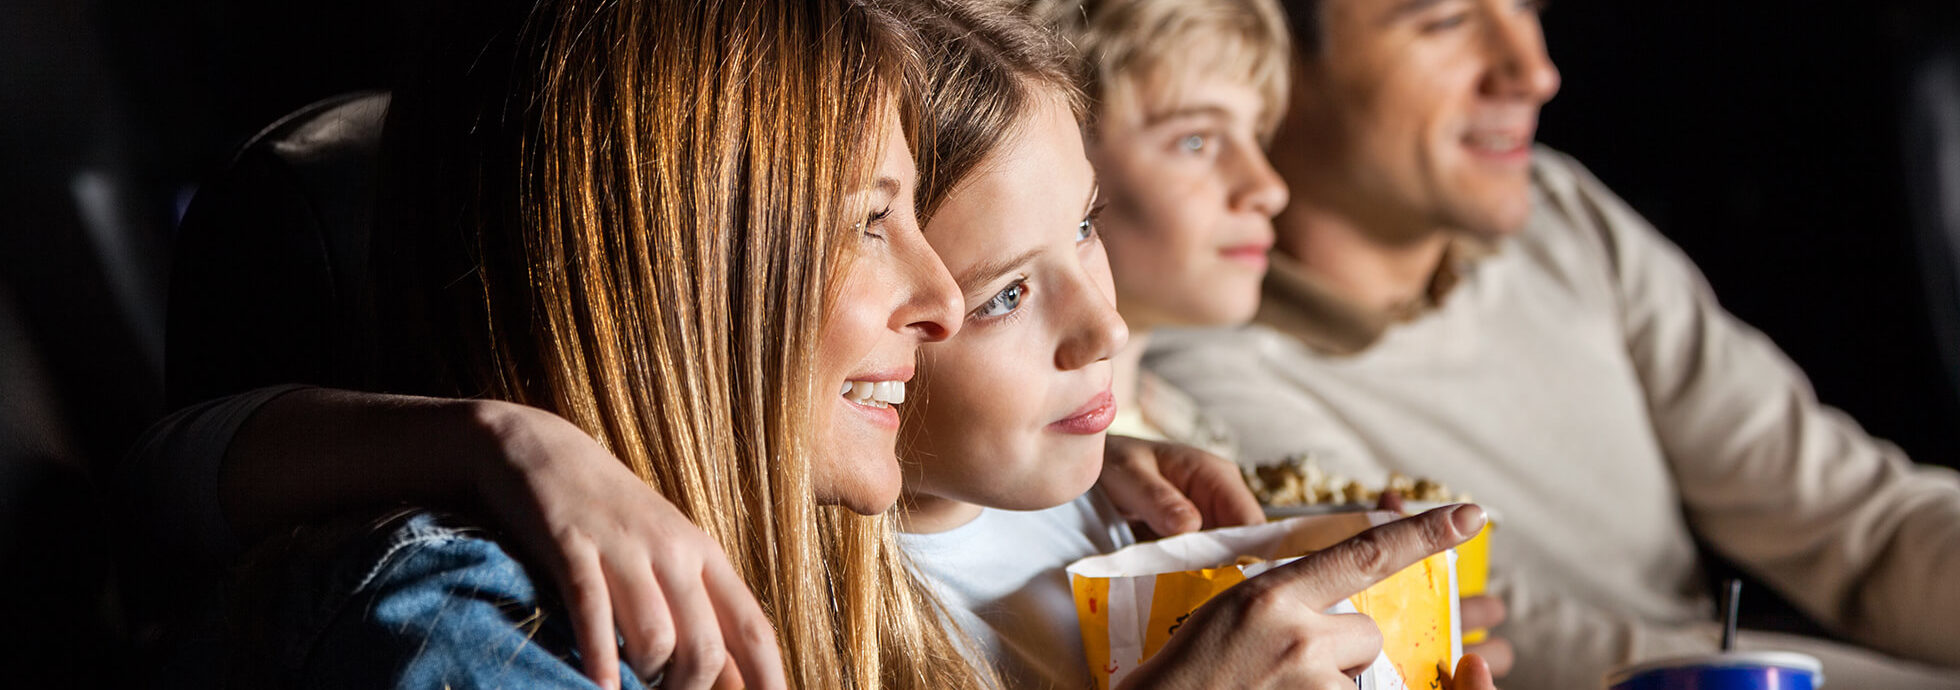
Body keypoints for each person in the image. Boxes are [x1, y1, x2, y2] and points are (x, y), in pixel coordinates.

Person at [1145, 0, 1960, 687]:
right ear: (1267, 58)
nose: (1533, 70)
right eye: (1447, 19)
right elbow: (1554, 655)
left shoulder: (1559, 217)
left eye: (1526, 5)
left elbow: (1857, 521)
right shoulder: (1189, 377)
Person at [884, 1, 1496, 687]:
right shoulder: (841, 627)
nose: (1105, 329)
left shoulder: (1099, 498)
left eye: (1086, 227)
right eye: (1003, 296)